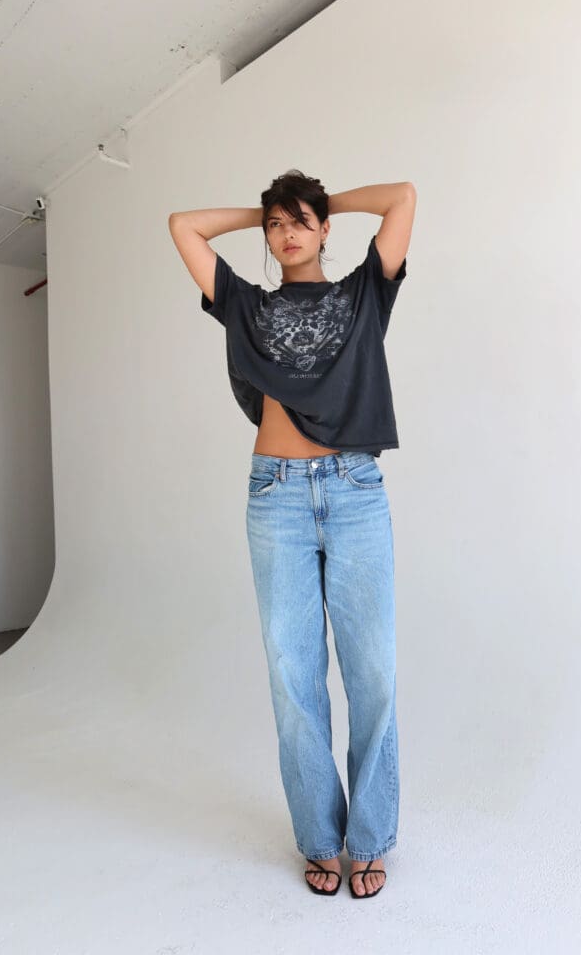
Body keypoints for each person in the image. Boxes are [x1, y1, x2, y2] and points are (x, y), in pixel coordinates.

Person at [168, 171, 416, 898]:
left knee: (373, 673)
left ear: (325, 228)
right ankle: (319, 838)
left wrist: (318, 204)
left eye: (300, 222)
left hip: (354, 492)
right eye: (277, 225)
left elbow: (402, 197)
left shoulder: (363, 293)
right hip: (275, 497)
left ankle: (369, 837)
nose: (286, 233)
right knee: (292, 674)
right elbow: (183, 225)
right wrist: (266, 212)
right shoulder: (245, 305)